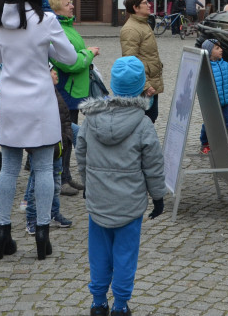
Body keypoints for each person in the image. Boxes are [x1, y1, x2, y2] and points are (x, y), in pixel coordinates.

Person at [0, 0, 77, 261]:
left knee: (9, 169)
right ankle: (42, 235)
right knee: (41, 169)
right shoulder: (47, 19)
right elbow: (69, 56)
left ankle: (3, 233)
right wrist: (45, 50)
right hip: (40, 102)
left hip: (10, 100)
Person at [76, 56, 165, 316]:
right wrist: (158, 196)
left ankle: (98, 302)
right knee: (125, 256)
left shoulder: (91, 118)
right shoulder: (143, 123)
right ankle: (121, 305)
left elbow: (81, 154)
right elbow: (154, 165)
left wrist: (87, 183)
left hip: (99, 200)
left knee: (98, 254)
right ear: (140, 88)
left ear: (113, 85)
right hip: (130, 203)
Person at [47, 0, 96, 195]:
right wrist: (89, 53)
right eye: (68, 3)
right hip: (66, 89)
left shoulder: (68, 26)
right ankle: (60, 179)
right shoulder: (56, 29)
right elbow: (70, 64)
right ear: (57, 8)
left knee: (68, 134)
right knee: (64, 136)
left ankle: (65, 175)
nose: (72, 5)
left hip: (75, 90)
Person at [23, 74, 75, 232]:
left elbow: (65, 118)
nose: (56, 74)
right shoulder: (35, 96)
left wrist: (66, 139)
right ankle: (31, 216)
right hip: (40, 148)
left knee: (55, 183)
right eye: (51, 71)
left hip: (58, 147)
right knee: (35, 184)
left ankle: (53, 212)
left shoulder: (56, 93)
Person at [119, 0, 163, 124]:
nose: (149, 5)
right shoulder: (131, 29)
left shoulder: (144, 24)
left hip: (151, 81)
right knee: (143, 120)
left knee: (151, 117)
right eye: (145, 3)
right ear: (136, 8)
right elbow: (130, 60)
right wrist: (145, 86)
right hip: (143, 86)